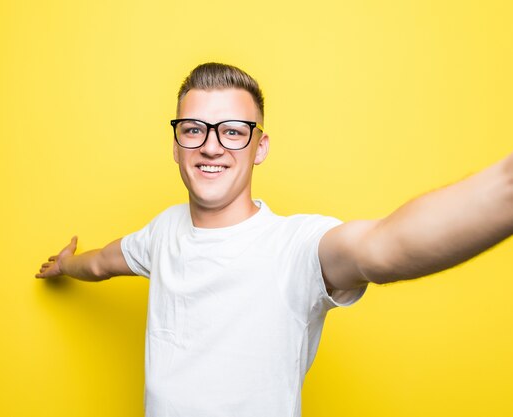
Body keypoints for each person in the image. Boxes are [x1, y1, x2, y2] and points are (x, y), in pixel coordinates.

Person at [36, 62, 513, 417]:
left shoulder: (295, 247)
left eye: (233, 131)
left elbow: (383, 248)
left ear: (259, 146)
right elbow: (102, 262)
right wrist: (65, 264)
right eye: (194, 129)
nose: (211, 144)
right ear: (177, 143)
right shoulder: (163, 231)